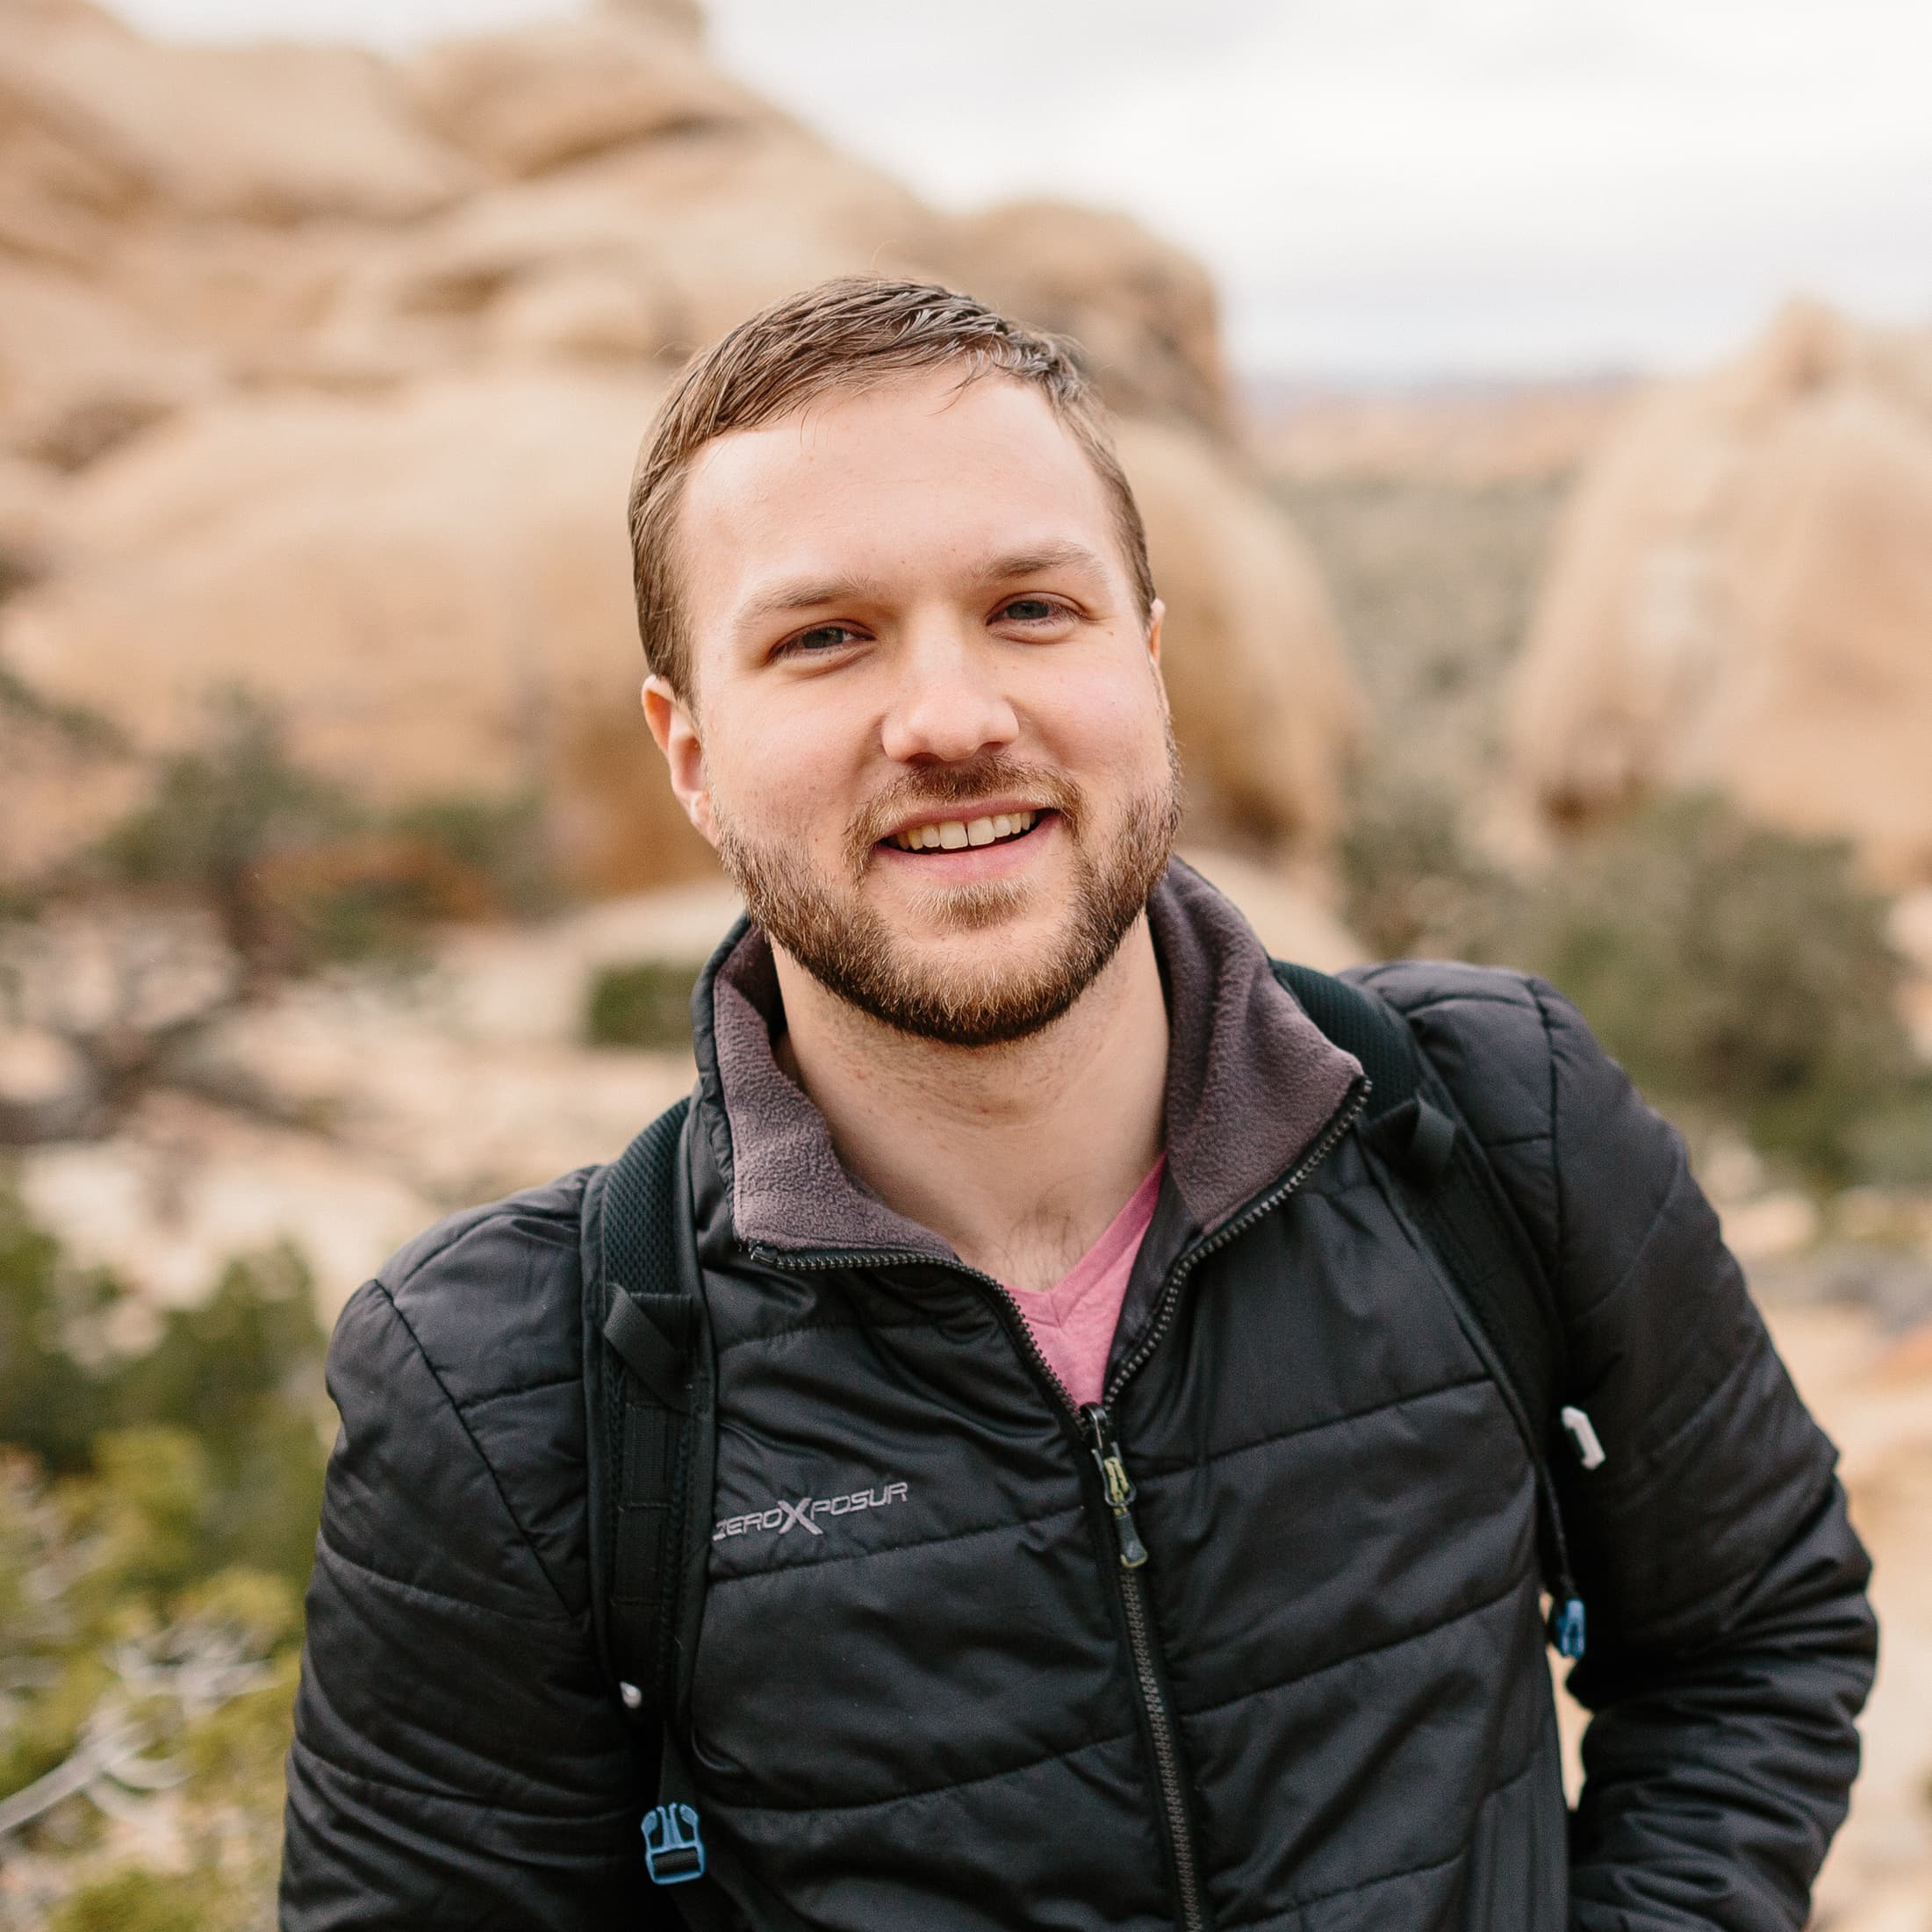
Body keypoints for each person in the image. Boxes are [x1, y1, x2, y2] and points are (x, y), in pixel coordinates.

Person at [278, 277, 1875, 1931]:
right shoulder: (512, 1382)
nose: (955, 719)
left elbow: (1751, 1640)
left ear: (1154, 661)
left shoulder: (1495, 1129)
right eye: (824, 637)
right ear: (688, 751)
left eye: (1033, 607)